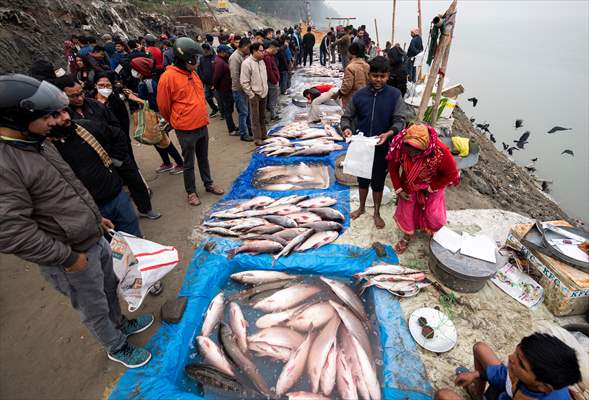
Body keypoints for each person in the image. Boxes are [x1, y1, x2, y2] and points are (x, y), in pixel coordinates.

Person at [0, 74, 153, 368]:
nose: (58, 120)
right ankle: (116, 345)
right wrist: (67, 257)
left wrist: (97, 218)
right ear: (16, 119)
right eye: (49, 116)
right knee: (92, 304)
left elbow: (71, 186)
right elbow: (11, 231)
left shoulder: (40, 143)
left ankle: (120, 322)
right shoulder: (8, 164)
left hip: (93, 236)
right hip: (70, 255)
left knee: (109, 287)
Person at [55, 75, 161, 220]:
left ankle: (145, 208)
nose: (80, 98)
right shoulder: (63, 117)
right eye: (73, 96)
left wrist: (117, 155)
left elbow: (117, 128)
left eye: (81, 93)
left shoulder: (95, 105)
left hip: (116, 153)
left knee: (134, 180)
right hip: (94, 163)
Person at [51, 108, 143, 238]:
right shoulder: (46, 149)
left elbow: (117, 135)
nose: (65, 117)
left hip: (117, 198)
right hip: (89, 210)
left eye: (65, 111)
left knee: (135, 241)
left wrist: (115, 161)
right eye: (56, 115)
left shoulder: (85, 127)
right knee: (109, 251)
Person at [340, 56, 409, 229]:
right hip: (362, 146)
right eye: (375, 76)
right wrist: (346, 128)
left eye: (383, 76)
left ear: (388, 76)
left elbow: (400, 120)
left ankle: (376, 212)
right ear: (369, 75)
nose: (378, 80)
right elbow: (347, 116)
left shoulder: (394, 95)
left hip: (383, 146)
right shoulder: (359, 95)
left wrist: (389, 133)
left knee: (378, 182)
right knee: (362, 180)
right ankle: (362, 207)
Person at [157, 37, 224, 206]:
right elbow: (164, 106)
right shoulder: (168, 78)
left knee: (203, 158)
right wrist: (177, 118)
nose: (198, 61)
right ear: (186, 59)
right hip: (185, 128)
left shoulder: (192, 73)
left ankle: (208, 184)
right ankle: (191, 192)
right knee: (188, 162)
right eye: (196, 58)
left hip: (202, 124)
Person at [435, 333, 581, 400]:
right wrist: (477, 375)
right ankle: (477, 394)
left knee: (443, 396)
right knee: (480, 348)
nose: (510, 358)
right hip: (511, 392)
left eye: (521, 363)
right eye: (517, 352)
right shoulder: (540, 377)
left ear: (544, 387)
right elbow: (505, 374)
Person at [387, 123, 459, 253]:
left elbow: (452, 173)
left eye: (417, 150)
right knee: (407, 208)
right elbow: (393, 167)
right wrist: (399, 189)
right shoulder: (399, 146)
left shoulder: (440, 153)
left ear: (426, 148)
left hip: (433, 183)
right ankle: (407, 236)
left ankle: (434, 233)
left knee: (432, 212)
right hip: (409, 182)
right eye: (409, 148)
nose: (412, 153)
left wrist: (431, 187)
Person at [128, 57, 184, 174]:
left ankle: (180, 163)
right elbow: (146, 97)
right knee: (156, 141)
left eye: (134, 69)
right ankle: (167, 163)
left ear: (140, 70)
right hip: (152, 117)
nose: (132, 71)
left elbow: (153, 103)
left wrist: (136, 98)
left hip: (157, 117)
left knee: (165, 142)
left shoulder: (148, 83)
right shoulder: (143, 82)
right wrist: (135, 94)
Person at [240, 42, 268, 146]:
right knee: (255, 118)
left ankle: (264, 134)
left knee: (262, 116)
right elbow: (244, 82)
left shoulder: (261, 61)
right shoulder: (247, 63)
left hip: (263, 93)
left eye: (263, 50)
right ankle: (257, 138)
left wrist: (265, 89)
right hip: (254, 94)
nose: (263, 53)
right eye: (261, 51)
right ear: (254, 51)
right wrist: (251, 94)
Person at [229, 37, 253, 142]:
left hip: (245, 89)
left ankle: (249, 130)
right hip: (239, 90)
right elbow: (235, 76)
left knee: (247, 111)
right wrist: (243, 89)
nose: (249, 50)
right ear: (244, 47)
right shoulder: (235, 58)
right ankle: (244, 134)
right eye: (248, 48)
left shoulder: (244, 55)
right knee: (243, 112)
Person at [213, 44, 238, 136]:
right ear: (221, 53)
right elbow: (216, 77)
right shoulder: (219, 63)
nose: (228, 54)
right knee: (228, 110)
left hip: (226, 88)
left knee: (230, 109)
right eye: (227, 52)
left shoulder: (222, 60)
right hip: (224, 90)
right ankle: (231, 130)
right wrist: (216, 87)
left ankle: (233, 127)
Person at [337, 42, 369, 108]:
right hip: (365, 98)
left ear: (352, 53)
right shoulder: (367, 65)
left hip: (352, 99)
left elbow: (347, 86)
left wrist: (340, 93)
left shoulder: (350, 67)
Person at [197, 43, 220, 117]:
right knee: (207, 97)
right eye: (204, 50)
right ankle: (215, 109)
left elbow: (217, 71)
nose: (205, 51)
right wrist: (202, 79)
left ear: (210, 49)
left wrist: (215, 82)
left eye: (207, 50)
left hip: (215, 83)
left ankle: (223, 112)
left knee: (218, 98)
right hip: (206, 83)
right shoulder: (201, 58)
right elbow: (199, 70)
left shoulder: (215, 58)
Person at [263, 40, 280, 121]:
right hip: (271, 82)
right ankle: (272, 115)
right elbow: (269, 71)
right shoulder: (267, 57)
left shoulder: (270, 56)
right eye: (276, 50)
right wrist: (274, 80)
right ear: (272, 48)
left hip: (272, 80)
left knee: (271, 99)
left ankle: (271, 114)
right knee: (272, 99)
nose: (277, 52)